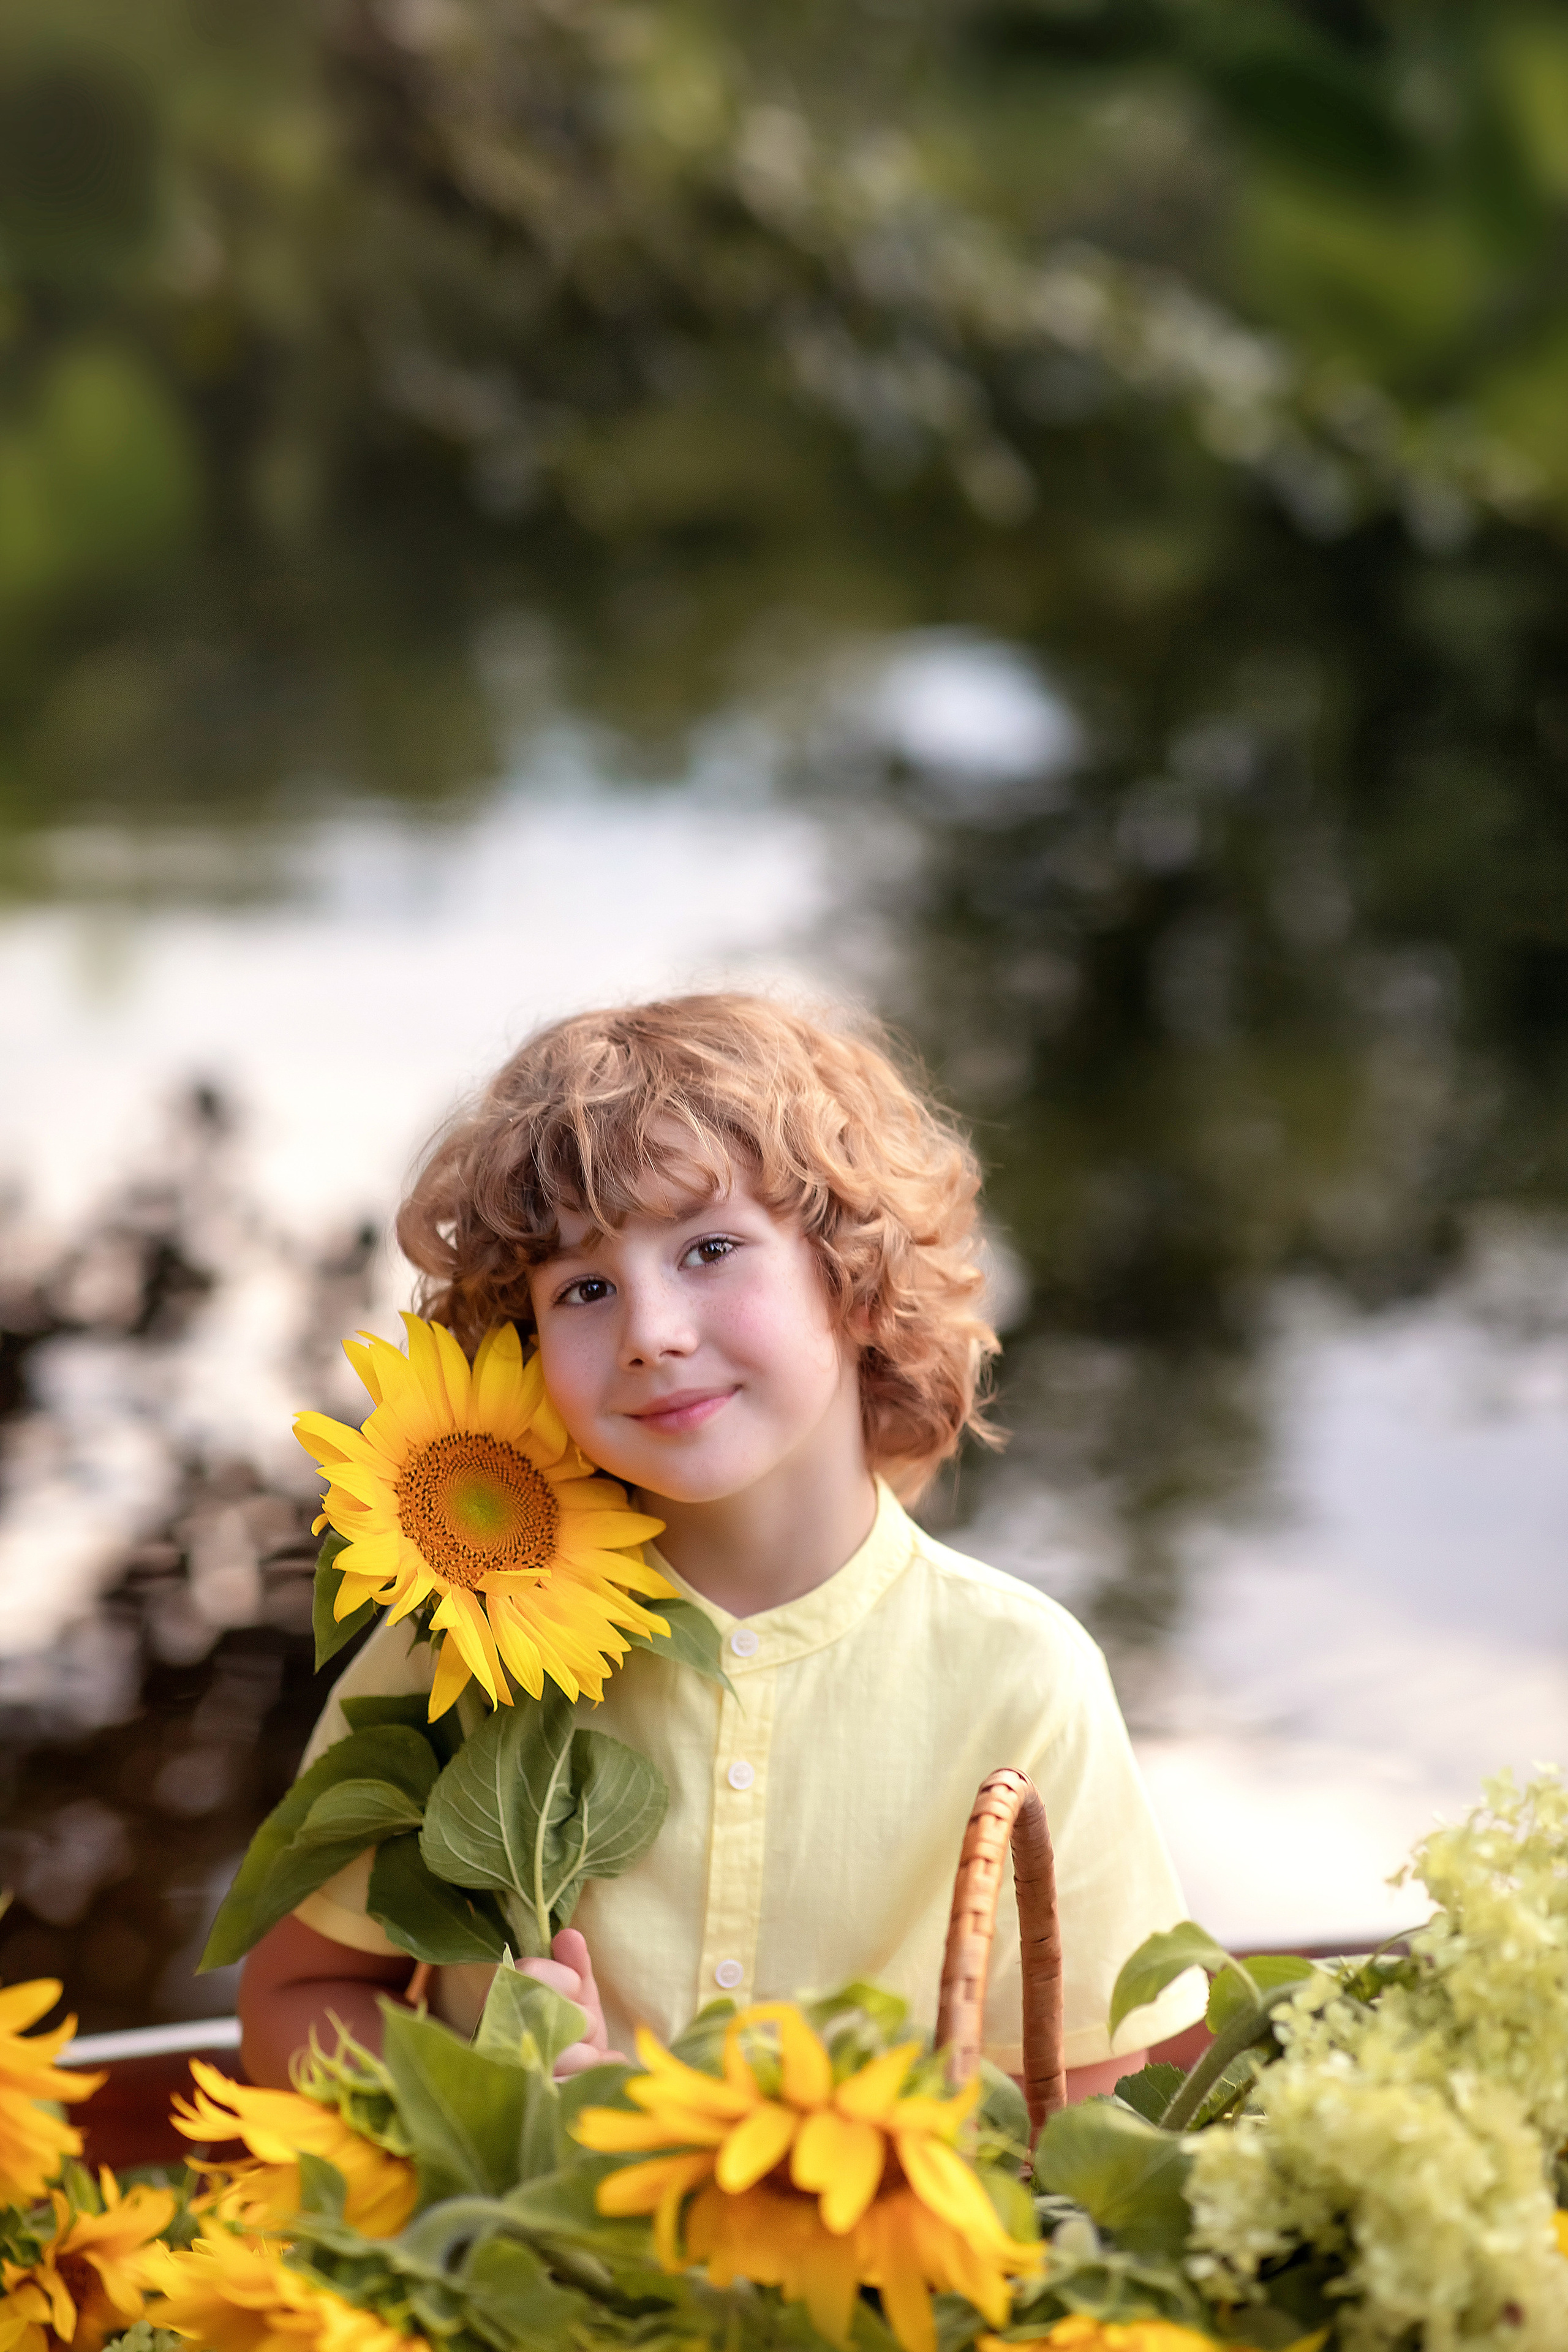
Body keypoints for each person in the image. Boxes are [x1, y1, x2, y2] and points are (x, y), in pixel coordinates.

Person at [239, 993, 1204, 2093]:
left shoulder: (1024, 1676)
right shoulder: (465, 1634)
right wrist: (475, 2089)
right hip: (529, 2252)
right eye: (587, 1288)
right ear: (527, 1346)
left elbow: (1090, 2096)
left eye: (709, 1249)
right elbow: (293, 1997)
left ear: (857, 1278)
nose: (652, 1334)